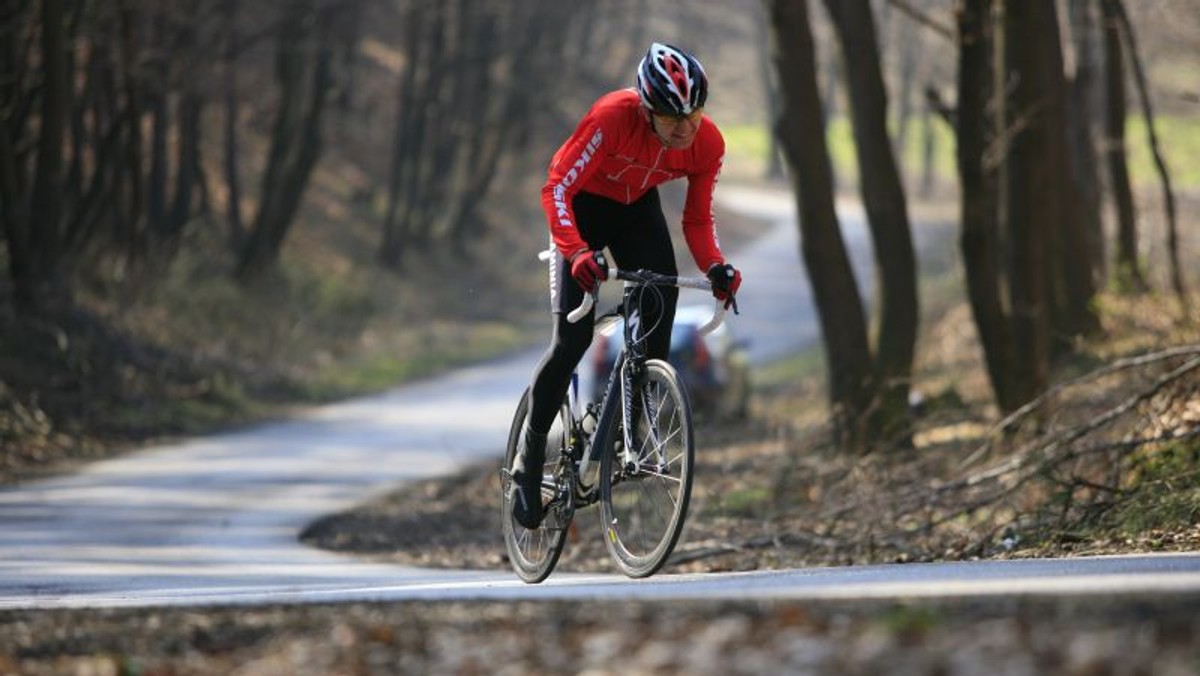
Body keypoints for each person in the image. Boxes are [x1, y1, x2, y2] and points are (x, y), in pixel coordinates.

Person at [510, 42, 743, 529]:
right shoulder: (611, 118)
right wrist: (575, 251)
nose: (685, 130)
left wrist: (717, 266)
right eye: (671, 119)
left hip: (637, 212)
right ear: (645, 108)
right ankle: (527, 464)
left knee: (661, 298)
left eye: (694, 115)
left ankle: (624, 430)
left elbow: (698, 219)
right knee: (571, 340)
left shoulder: (708, 143)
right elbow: (556, 188)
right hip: (582, 213)